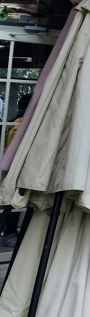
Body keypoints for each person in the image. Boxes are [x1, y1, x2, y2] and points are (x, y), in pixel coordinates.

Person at [1, 92, 32, 247]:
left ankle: (11, 231)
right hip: (15, 170)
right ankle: (9, 232)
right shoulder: (19, 124)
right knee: (12, 203)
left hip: (13, 170)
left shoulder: (15, 123)